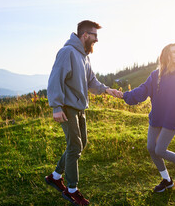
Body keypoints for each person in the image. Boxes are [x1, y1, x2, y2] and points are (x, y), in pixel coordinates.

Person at [45, 20, 123, 205]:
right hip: (67, 107)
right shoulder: (67, 52)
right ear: (85, 35)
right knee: (74, 147)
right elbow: (55, 80)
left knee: (81, 144)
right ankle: (72, 190)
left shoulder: (84, 57)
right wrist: (56, 107)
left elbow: (91, 81)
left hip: (80, 108)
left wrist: (107, 90)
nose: (97, 40)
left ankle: (56, 176)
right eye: (95, 35)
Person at [122, 43, 175, 192]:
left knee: (160, 150)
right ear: (165, 56)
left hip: (172, 118)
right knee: (151, 148)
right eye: (171, 52)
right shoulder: (156, 75)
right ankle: (167, 180)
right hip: (156, 117)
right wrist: (126, 95)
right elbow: (143, 90)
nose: (174, 55)